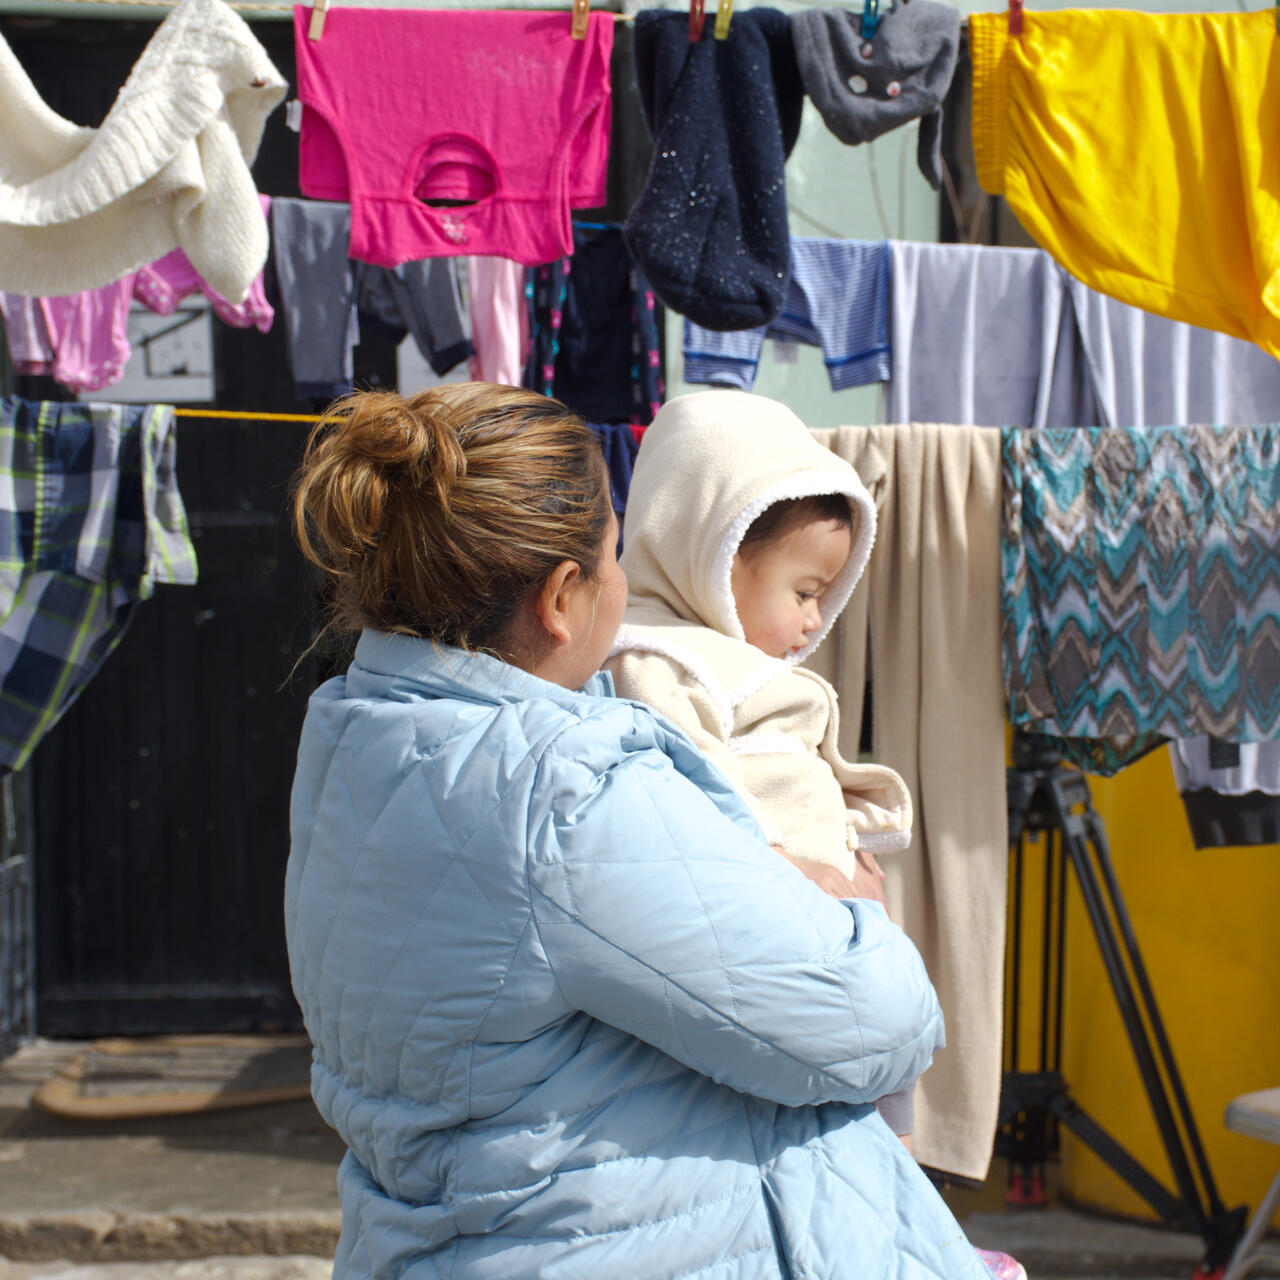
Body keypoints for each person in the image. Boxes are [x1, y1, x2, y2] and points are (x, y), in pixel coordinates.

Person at [285, 383, 1005, 1279]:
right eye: (615, 556)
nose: (629, 588)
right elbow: (869, 1024)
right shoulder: (561, 789)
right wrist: (859, 916)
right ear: (560, 598)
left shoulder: (356, 732)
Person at [605, 389, 919, 1146]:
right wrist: (786, 866)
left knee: (876, 1081)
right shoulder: (657, 658)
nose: (816, 619)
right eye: (805, 592)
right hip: (771, 920)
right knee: (827, 1098)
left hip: (826, 911)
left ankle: (901, 1206)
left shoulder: (727, 659)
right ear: (712, 550)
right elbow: (689, 799)